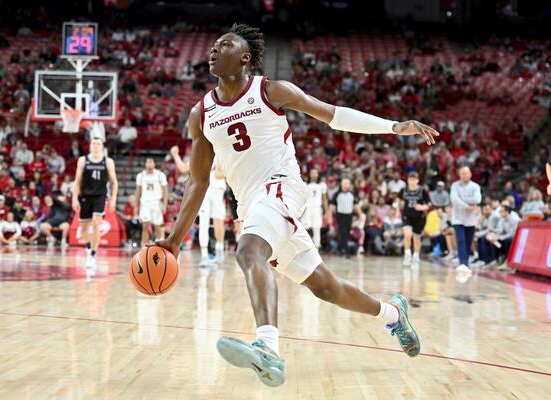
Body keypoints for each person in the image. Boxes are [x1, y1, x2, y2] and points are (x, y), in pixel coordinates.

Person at [154, 24, 439, 387]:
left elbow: (335, 115)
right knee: (325, 288)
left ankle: (268, 348)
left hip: (282, 189)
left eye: (223, 44)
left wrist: (395, 126)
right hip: (251, 206)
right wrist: (175, 240)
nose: (213, 49)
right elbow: (199, 181)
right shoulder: (202, 114)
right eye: (212, 45)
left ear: (244, 57)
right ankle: (393, 314)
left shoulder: (271, 90)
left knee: (248, 251)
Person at [172, 146, 228, 266]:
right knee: (204, 222)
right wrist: (175, 155)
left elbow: (220, 175)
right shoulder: (201, 153)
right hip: (205, 191)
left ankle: (219, 250)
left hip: (217, 189)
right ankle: (204, 256)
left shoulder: (221, 152)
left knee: (219, 222)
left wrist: (221, 170)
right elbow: (183, 168)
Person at [72, 137, 118, 269]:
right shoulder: (83, 160)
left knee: (96, 224)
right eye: (94, 143)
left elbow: (114, 182)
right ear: (90, 146)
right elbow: (77, 181)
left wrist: (113, 199)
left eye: (98, 144)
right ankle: (89, 245)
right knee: (84, 230)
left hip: (100, 196)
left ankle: (92, 255)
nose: (96, 145)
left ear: (102, 147)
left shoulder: (108, 162)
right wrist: (74, 198)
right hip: (85, 196)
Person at [450, 166, 481, 278]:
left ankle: (466, 263)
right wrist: (467, 206)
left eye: (466, 173)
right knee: (461, 240)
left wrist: (462, 201)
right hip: (458, 218)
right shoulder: (455, 186)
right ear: (459, 175)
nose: (464, 175)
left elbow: (477, 200)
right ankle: (462, 263)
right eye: (462, 173)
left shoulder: (475, 186)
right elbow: (454, 199)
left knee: (468, 242)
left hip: (471, 219)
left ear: (470, 174)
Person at [399, 172, 431, 268]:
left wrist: (422, 207)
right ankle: (407, 254)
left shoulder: (422, 191)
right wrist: (397, 210)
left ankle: (416, 256)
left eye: (414, 180)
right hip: (407, 216)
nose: (412, 182)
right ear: (408, 180)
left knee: (416, 238)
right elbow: (399, 200)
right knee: (408, 234)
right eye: (410, 180)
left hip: (419, 217)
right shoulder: (403, 190)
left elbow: (429, 204)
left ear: (417, 181)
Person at [134, 158, 168, 246]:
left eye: (151, 162)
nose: (149, 164)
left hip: (156, 202)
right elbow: (137, 191)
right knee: (145, 226)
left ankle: (159, 245)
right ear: (145, 164)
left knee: (157, 226)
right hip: (145, 203)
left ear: (154, 164)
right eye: (147, 162)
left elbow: (165, 191)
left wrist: (165, 204)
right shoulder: (140, 176)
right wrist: (136, 205)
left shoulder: (160, 175)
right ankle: (144, 247)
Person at [328, 178, 355, 257]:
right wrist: (330, 217)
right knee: (343, 233)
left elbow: (355, 205)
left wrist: (360, 215)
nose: (346, 185)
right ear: (342, 184)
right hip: (340, 215)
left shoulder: (352, 194)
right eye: (345, 183)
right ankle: (347, 252)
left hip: (349, 216)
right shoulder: (337, 194)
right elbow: (332, 206)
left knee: (346, 233)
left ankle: (340, 249)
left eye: (348, 183)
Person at [302, 168, 327, 249]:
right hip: (308, 208)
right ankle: (305, 246)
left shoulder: (322, 185)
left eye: (315, 173)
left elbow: (324, 198)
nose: (314, 174)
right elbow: (302, 198)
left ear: (318, 174)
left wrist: (326, 211)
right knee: (305, 227)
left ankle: (317, 245)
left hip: (317, 208)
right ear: (309, 174)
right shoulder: (305, 185)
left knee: (317, 227)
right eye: (312, 173)